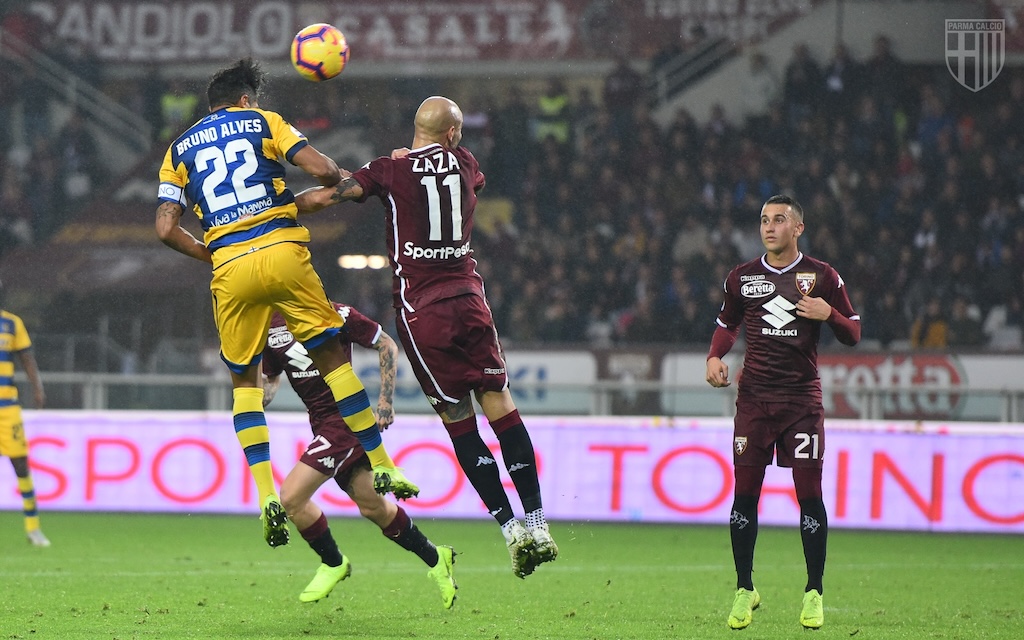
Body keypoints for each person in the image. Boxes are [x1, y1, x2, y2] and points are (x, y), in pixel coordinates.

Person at [154, 59, 417, 549]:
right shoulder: (265, 122)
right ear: (246, 99)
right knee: (333, 361)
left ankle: (265, 497)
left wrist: (211, 250)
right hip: (282, 251)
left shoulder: (177, 150)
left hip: (230, 267)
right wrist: (339, 177)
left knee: (244, 387)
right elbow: (319, 169)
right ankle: (382, 466)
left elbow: (166, 229)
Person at [294, 96, 557, 579]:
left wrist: (278, 210)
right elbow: (459, 176)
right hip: (470, 299)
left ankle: (510, 531)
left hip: (423, 312)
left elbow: (325, 197)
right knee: (500, 404)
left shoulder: (388, 171)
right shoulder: (466, 162)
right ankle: (538, 522)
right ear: (454, 135)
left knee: (460, 422)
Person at [705, 195, 861, 630]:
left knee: (808, 495)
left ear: (798, 228)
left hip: (801, 402)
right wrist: (714, 358)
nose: (769, 227)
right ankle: (744, 588)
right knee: (744, 495)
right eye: (763, 221)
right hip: (754, 400)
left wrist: (829, 313)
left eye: (779, 220)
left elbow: (853, 332)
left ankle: (813, 591)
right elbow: (726, 325)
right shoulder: (742, 277)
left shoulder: (823, 276)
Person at [262, 304, 456, 607]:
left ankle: (333, 561)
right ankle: (436, 558)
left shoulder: (335, 313)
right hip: (321, 423)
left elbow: (386, 343)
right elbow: (270, 381)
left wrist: (385, 401)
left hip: (346, 420)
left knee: (291, 497)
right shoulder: (269, 324)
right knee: (373, 507)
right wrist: (253, 396)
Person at [0, 277, 50, 547]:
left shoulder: (11, 323)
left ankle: (33, 527)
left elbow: (27, 358)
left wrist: (38, 388)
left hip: (6, 408)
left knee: (21, 465)